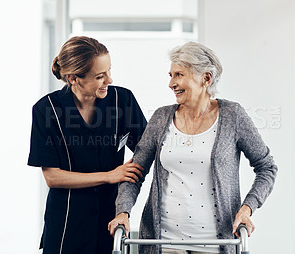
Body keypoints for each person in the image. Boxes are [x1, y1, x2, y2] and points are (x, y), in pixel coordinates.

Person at [108, 41, 278, 254]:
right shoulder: (161, 117)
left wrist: (247, 208)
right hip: (163, 243)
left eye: (179, 75)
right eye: (170, 75)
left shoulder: (233, 116)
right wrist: (123, 211)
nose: (171, 83)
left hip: (215, 245)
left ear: (206, 78)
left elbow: (267, 168)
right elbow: (135, 172)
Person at [27, 36, 147, 254]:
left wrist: (125, 209)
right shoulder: (47, 110)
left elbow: (147, 150)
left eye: (109, 70)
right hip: (66, 225)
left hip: (111, 222)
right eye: (100, 76)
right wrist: (109, 175)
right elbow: (53, 177)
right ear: (74, 78)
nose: (109, 80)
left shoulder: (123, 100)